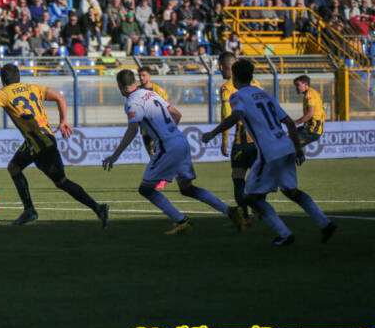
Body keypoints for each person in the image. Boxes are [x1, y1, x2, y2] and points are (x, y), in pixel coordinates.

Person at [202, 59, 337, 246]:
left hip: (269, 152)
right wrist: (297, 149)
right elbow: (289, 122)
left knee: (250, 197)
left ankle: (284, 233)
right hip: (286, 146)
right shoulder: (265, 95)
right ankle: (325, 223)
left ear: (234, 76)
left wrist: (213, 133)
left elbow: (237, 115)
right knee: (292, 191)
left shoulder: (237, 96)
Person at [0, 63, 108, 226]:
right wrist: (63, 121)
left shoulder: (2, 94)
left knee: (17, 169)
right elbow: (60, 97)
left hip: (36, 144)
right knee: (60, 181)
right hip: (48, 138)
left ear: (3, 80)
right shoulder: (32, 88)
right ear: (19, 77)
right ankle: (97, 208)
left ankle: (30, 210)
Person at [102, 70, 245, 235]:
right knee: (187, 188)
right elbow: (177, 114)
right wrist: (168, 135)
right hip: (181, 141)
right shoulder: (151, 93)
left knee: (146, 189)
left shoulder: (132, 102)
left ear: (120, 87)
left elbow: (133, 128)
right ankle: (231, 211)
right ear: (135, 81)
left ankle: (181, 220)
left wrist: (115, 155)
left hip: (168, 146)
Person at [218, 51, 262, 223]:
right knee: (256, 177)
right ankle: (259, 209)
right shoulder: (256, 83)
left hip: (242, 141)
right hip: (259, 140)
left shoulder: (227, 88)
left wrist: (223, 140)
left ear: (222, 67)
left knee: (238, 177)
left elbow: (228, 117)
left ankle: (244, 215)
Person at [137, 66, 172, 189]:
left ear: (149, 76)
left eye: (144, 75)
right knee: (152, 155)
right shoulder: (137, 91)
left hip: (157, 128)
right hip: (144, 129)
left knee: (155, 152)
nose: (141, 78)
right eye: (140, 75)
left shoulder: (158, 90)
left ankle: (161, 179)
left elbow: (167, 107)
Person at [293, 75, 325, 146]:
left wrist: (295, 123)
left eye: (297, 85)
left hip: (312, 130)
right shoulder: (311, 93)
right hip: (309, 128)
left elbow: (310, 114)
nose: (295, 88)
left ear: (306, 84)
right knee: (290, 139)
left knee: (290, 142)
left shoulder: (309, 94)